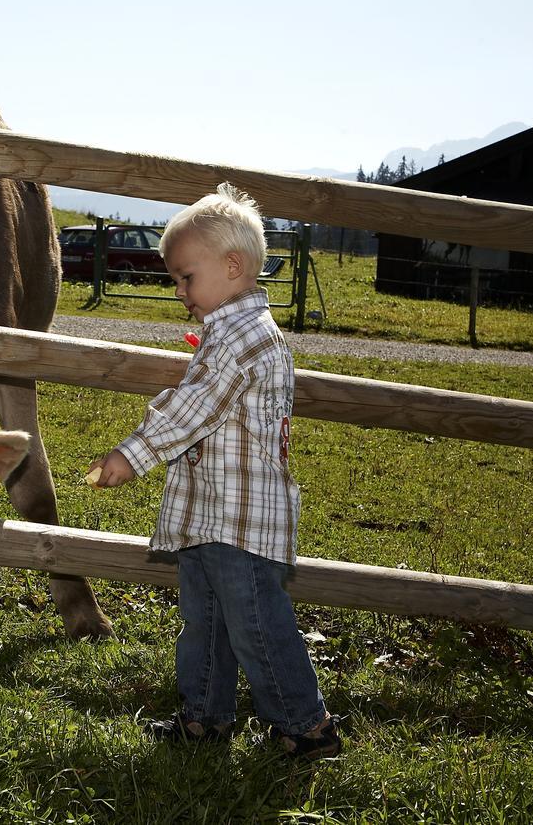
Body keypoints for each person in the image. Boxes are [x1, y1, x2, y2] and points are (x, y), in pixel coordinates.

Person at [89, 183, 340, 759]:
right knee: (205, 622)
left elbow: (192, 408)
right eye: (176, 280)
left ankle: (305, 724)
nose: (179, 292)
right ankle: (205, 716)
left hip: (242, 522)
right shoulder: (229, 331)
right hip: (213, 516)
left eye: (185, 278)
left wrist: (133, 454)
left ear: (232, 266)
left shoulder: (243, 338)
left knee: (254, 625)